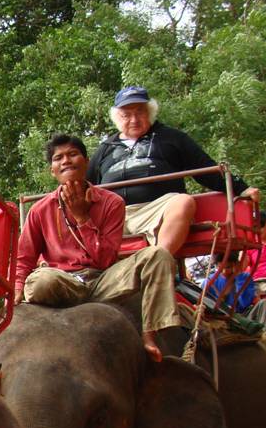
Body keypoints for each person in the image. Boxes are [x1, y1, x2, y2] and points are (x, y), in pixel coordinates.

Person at [16, 134, 180, 362]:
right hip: (62, 281)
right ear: (52, 170)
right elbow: (24, 258)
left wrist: (82, 217)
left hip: (102, 281)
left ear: (86, 162)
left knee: (158, 255)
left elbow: (105, 260)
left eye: (73, 154)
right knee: (41, 281)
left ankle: (149, 334)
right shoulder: (39, 210)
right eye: (58, 158)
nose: (66, 161)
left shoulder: (112, 203)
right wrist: (15, 293)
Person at [87, 86, 261, 257]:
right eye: (126, 115)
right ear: (117, 118)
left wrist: (242, 188)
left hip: (157, 211)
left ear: (150, 112)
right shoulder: (105, 149)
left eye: (139, 112)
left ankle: (158, 261)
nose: (134, 119)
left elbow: (205, 168)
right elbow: (85, 186)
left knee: (183, 202)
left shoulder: (171, 138)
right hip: (115, 216)